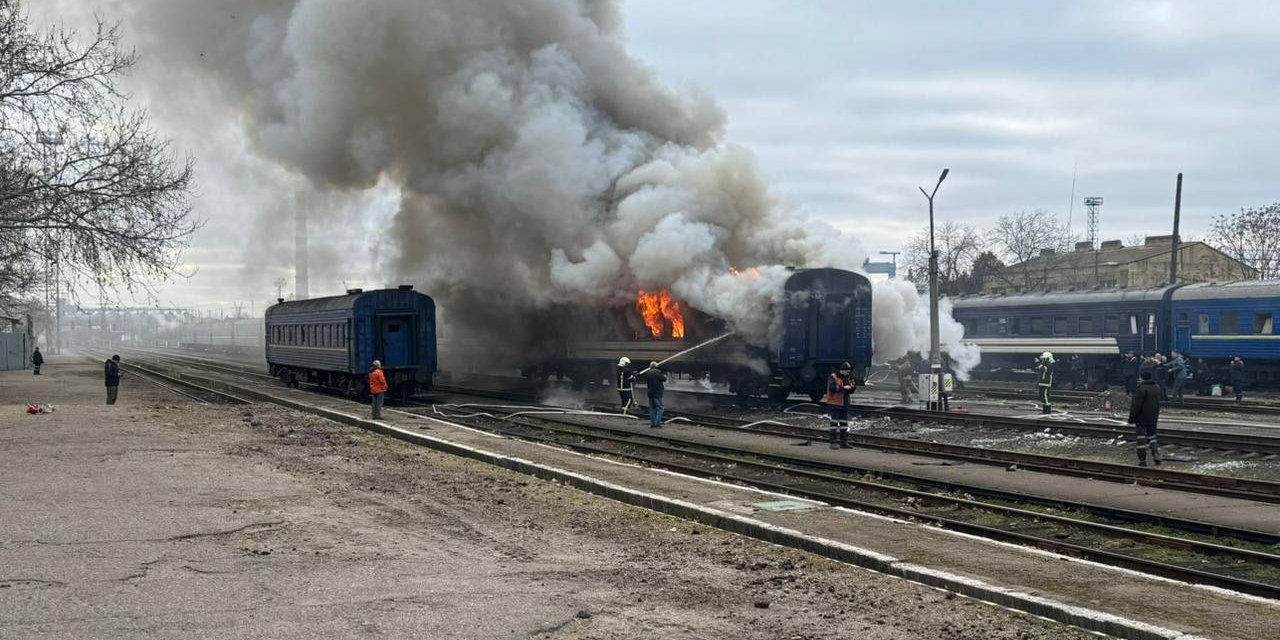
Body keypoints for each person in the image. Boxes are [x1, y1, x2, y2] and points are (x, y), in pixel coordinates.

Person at [1128, 371, 1162, 466]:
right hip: (1153, 417)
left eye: (1140, 378)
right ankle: (1157, 456)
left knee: (1141, 440)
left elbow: (1136, 406)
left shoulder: (1141, 389)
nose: (1139, 379)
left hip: (1141, 418)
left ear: (1142, 378)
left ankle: (1142, 460)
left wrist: (1131, 418)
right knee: (1153, 437)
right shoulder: (1157, 387)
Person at [825, 362, 856, 449]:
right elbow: (832, 388)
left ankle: (844, 442)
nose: (848, 373)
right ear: (842, 370)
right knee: (834, 423)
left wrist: (852, 388)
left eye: (848, 372)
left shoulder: (848, 377)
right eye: (846, 371)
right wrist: (843, 388)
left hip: (844, 403)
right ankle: (833, 442)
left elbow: (851, 389)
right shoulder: (833, 376)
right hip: (836, 403)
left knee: (844, 423)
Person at [643, 362, 667, 428]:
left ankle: (652, 424)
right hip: (657, 393)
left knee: (652, 409)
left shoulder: (648, 373)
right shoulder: (658, 372)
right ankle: (657, 424)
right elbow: (664, 379)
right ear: (656, 366)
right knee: (660, 408)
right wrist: (665, 376)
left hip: (650, 393)